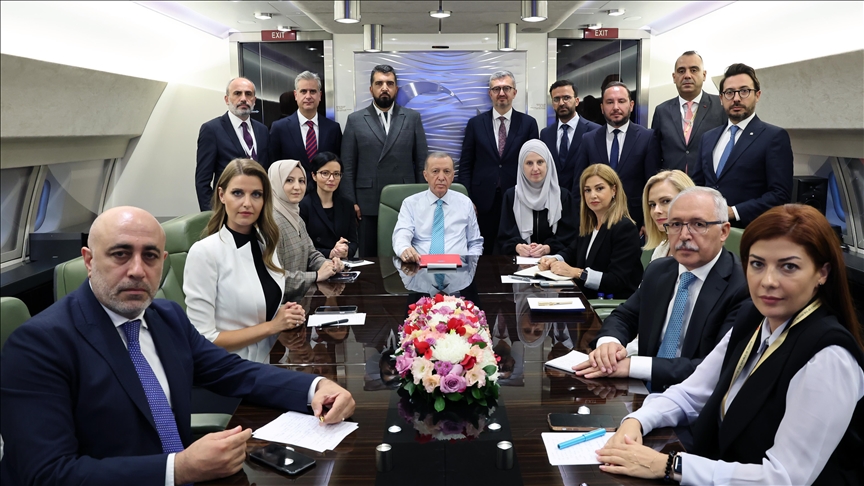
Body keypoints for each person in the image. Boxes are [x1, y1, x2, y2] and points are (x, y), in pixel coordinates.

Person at [0, 206, 355, 485]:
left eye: (150, 256)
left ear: (163, 262)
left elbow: (232, 371)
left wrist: (315, 387)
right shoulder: (39, 346)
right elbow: (47, 474)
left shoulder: (165, 317)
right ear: (89, 261)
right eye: (121, 254)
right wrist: (179, 468)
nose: (137, 270)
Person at [595, 204, 863, 485]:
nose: (768, 281)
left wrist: (669, 465)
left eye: (789, 267)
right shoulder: (754, 319)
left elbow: (783, 478)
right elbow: (691, 393)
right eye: (757, 264)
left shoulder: (829, 358)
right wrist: (636, 422)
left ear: (822, 273)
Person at [574, 187, 750, 392]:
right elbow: (625, 316)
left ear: (723, 232)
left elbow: (715, 368)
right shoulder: (659, 270)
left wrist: (633, 366)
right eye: (675, 224)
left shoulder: (742, 286)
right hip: (641, 392)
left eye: (698, 224)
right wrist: (608, 344)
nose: (684, 235)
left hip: (697, 400)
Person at [184, 159, 307, 363]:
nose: (247, 203)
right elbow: (204, 339)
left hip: (270, 359)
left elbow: (257, 306)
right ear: (222, 195)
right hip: (230, 368)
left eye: (256, 194)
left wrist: (285, 313)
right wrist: (273, 326)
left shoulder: (265, 243)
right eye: (238, 193)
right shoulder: (205, 252)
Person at [342, 64, 429, 257]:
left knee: (405, 256)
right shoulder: (355, 120)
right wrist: (351, 202)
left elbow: (422, 162)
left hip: (405, 198)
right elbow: (347, 166)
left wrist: (423, 199)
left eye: (389, 83)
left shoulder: (412, 118)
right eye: (379, 83)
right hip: (367, 202)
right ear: (371, 88)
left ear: (396, 89)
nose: (384, 88)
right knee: (370, 258)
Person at [692, 63, 793, 227]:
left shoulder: (773, 137)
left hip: (748, 231)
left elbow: (780, 195)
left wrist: (734, 212)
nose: (736, 98)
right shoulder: (708, 138)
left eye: (744, 91)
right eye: (729, 93)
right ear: (721, 99)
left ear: (757, 95)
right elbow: (697, 185)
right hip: (706, 230)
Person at [458, 70, 539, 254]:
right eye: (496, 89)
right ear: (490, 93)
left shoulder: (528, 123)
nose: (501, 93)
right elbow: (466, 165)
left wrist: (532, 196)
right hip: (482, 201)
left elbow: (534, 164)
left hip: (518, 199)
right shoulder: (475, 124)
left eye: (506, 88)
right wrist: (468, 199)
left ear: (514, 92)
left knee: (514, 250)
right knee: (484, 252)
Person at [539, 164, 643, 300]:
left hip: (609, 304)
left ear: (614, 190)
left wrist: (577, 273)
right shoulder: (590, 225)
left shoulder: (624, 228)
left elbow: (617, 281)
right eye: (587, 190)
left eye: (599, 188)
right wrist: (553, 259)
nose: (593, 195)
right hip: (584, 297)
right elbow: (572, 252)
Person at [572, 81, 660, 228]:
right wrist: (582, 222)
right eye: (610, 102)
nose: (616, 107)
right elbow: (579, 186)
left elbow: (652, 184)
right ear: (602, 108)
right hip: (596, 221)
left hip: (634, 221)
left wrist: (647, 223)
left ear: (631, 105)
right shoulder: (589, 140)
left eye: (621, 101)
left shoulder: (647, 138)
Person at [196, 77, 271, 211]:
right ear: (227, 99)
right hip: (227, 210)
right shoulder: (212, 129)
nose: (243, 99)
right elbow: (202, 181)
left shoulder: (262, 130)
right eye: (237, 93)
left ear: (254, 100)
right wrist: (212, 215)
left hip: (258, 208)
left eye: (248, 94)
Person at [393, 152, 483, 262]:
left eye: (446, 171)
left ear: (453, 176)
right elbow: (402, 234)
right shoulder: (410, 203)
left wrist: (470, 266)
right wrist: (404, 249)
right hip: (420, 267)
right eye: (435, 171)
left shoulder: (465, 203)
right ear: (425, 175)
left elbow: (475, 243)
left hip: (459, 268)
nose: (441, 177)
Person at [496, 139, 579, 257]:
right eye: (529, 163)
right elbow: (504, 237)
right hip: (520, 262)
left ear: (548, 164)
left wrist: (548, 248)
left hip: (554, 262)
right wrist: (517, 247)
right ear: (521, 166)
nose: (535, 168)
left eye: (540, 162)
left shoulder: (563, 196)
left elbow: (570, 238)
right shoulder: (512, 196)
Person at [269, 159, 343, 289]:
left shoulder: (296, 218)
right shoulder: (270, 223)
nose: (297, 187)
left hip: (302, 299)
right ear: (275, 182)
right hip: (282, 301)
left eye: (301, 181)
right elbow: (273, 277)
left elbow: (310, 254)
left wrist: (329, 264)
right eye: (289, 180)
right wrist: (316, 276)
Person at [651, 51, 726, 176]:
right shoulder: (662, 111)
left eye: (693, 70)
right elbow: (654, 155)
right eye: (681, 71)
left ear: (704, 75)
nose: (687, 75)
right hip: (673, 184)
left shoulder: (721, 106)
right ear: (674, 77)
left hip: (708, 183)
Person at [270, 71, 343, 180]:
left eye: (312, 91)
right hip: (293, 188)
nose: (308, 96)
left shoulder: (333, 129)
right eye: (303, 91)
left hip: (324, 188)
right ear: (296, 95)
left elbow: (338, 164)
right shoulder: (279, 128)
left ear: (320, 96)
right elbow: (274, 165)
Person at [539, 79, 601, 191]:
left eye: (566, 98)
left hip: (583, 197)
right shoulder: (546, 134)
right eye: (556, 99)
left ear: (576, 101)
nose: (561, 103)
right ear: (552, 104)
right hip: (553, 197)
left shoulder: (595, 131)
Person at [300, 151, 359, 259]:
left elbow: (353, 242)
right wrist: (330, 253)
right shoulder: (303, 206)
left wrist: (346, 251)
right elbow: (302, 247)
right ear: (314, 175)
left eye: (336, 174)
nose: (331, 179)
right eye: (325, 173)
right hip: (315, 263)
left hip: (342, 263)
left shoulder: (347, 204)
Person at [642, 170, 696, 260]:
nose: (656, 211)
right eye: (652, 205)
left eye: (666, 201)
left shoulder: (700, 249)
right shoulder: (661, 247)